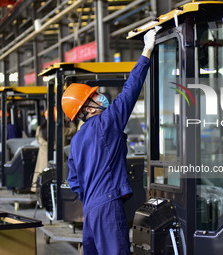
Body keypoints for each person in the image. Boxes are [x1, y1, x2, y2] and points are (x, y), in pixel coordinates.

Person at [61, 29, 156, 254]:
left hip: (90, 209)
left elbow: (74, 181)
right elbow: (130, 92)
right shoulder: (106, 122)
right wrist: (147, 51)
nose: (99, 96)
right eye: (93, 96)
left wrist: (94, 197)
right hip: (107, 205)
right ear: (87, 108)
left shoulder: (76, 140)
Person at [31, 107, 76, 192]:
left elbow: (39, 140)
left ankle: (39, 191)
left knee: (42, 175)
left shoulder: (40, 129)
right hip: (58, 156)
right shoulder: (61, 129)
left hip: (43, 156)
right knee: (57, 177)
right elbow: (73, 131)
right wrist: (69, 121)